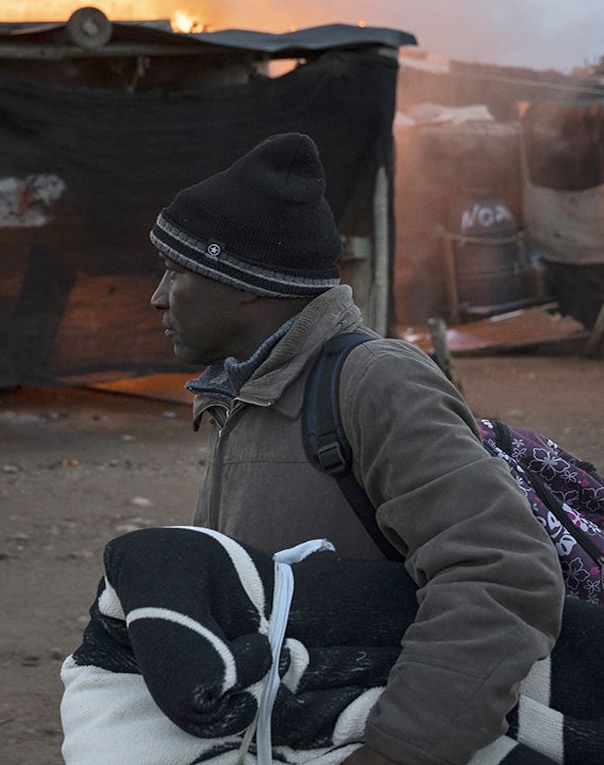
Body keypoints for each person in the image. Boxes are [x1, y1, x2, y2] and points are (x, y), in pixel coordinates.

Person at [148, 132, 563, 765]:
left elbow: (503, 573)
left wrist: (396, 751)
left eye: (176, 271)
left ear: (246, 283)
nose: (157, 295)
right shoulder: (248, 393)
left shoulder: (374, 381)